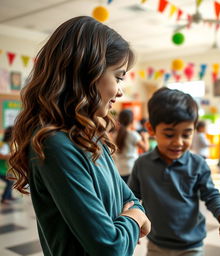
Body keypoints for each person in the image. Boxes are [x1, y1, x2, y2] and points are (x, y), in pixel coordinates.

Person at [8, 16, 150, 256]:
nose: (120, 90)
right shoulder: (54, 144)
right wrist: (135, 218)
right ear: (86, 73)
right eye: (118, 76)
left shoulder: (90, 137)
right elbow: (110, 248)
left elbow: (130, 198)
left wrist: (132, 213)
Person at [128, 88, 220, 256]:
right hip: (155, 244)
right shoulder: (142, 164)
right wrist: (133, 223)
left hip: (191, 246)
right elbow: (132, 197)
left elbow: (211, 195)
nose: (178, 142)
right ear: (151, 129)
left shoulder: (198, 164)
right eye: (169, 134)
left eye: (187, 134)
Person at [115, 109, 149, 182]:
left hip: (118, 169)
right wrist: (145, 138)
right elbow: (145, 148)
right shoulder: (133, 134)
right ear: (131, 120)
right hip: (131, 169)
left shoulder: (115, 134)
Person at [0, 126, 14, 204]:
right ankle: (4, 198)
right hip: (1, 169)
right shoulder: (3, 144)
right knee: (10, 181)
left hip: (4, 168)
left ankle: (9, 196)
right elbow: (1, 155)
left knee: (11, 180)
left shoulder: (8, 144)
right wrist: (11, 155)